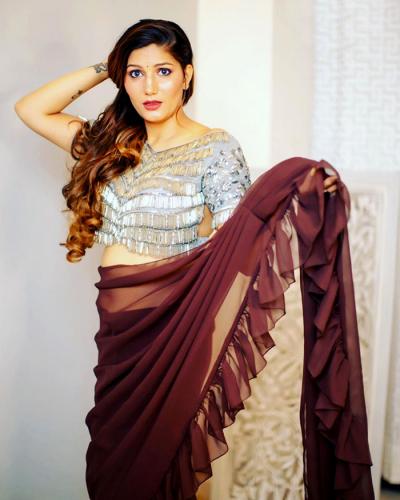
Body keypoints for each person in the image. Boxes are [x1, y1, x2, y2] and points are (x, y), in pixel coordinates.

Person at [15, 18, 374, 500]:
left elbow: (239, 239)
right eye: (136, 73)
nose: (149, 87)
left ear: (187, 75)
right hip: (121, 334)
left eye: (163, 71)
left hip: (182, 323)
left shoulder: (215, 148)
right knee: (114, 464)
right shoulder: (108, 145)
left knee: (174, 460)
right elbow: (31, 108)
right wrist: (108, 65)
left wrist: (304, 191)